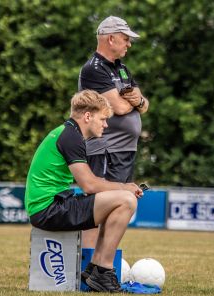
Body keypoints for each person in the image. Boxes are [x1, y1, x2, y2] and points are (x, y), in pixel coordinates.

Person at [25, 90, 143, 292]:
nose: (106, 125)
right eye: (103, 119)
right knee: (127, 200)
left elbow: (91, 184)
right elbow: (89, 184)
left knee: (119, 199)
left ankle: (96, 269)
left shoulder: (68, 132)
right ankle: (102, 271)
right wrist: (126, 187)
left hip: (49, 206)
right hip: (48, 210)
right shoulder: (71, 137)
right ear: (88, 116)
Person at [78, 16, 149, 249]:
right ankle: (90, 262)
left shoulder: (122, 68)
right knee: (99, 205)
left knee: (119, 204)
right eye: (126, 39)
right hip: (106, 149)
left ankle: (103, 262)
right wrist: (134, 102)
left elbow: (144, 104)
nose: (129, 44)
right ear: (111, 39)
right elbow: (117, 108)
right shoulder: (93, 69)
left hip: (124, 149)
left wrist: (136, 100)